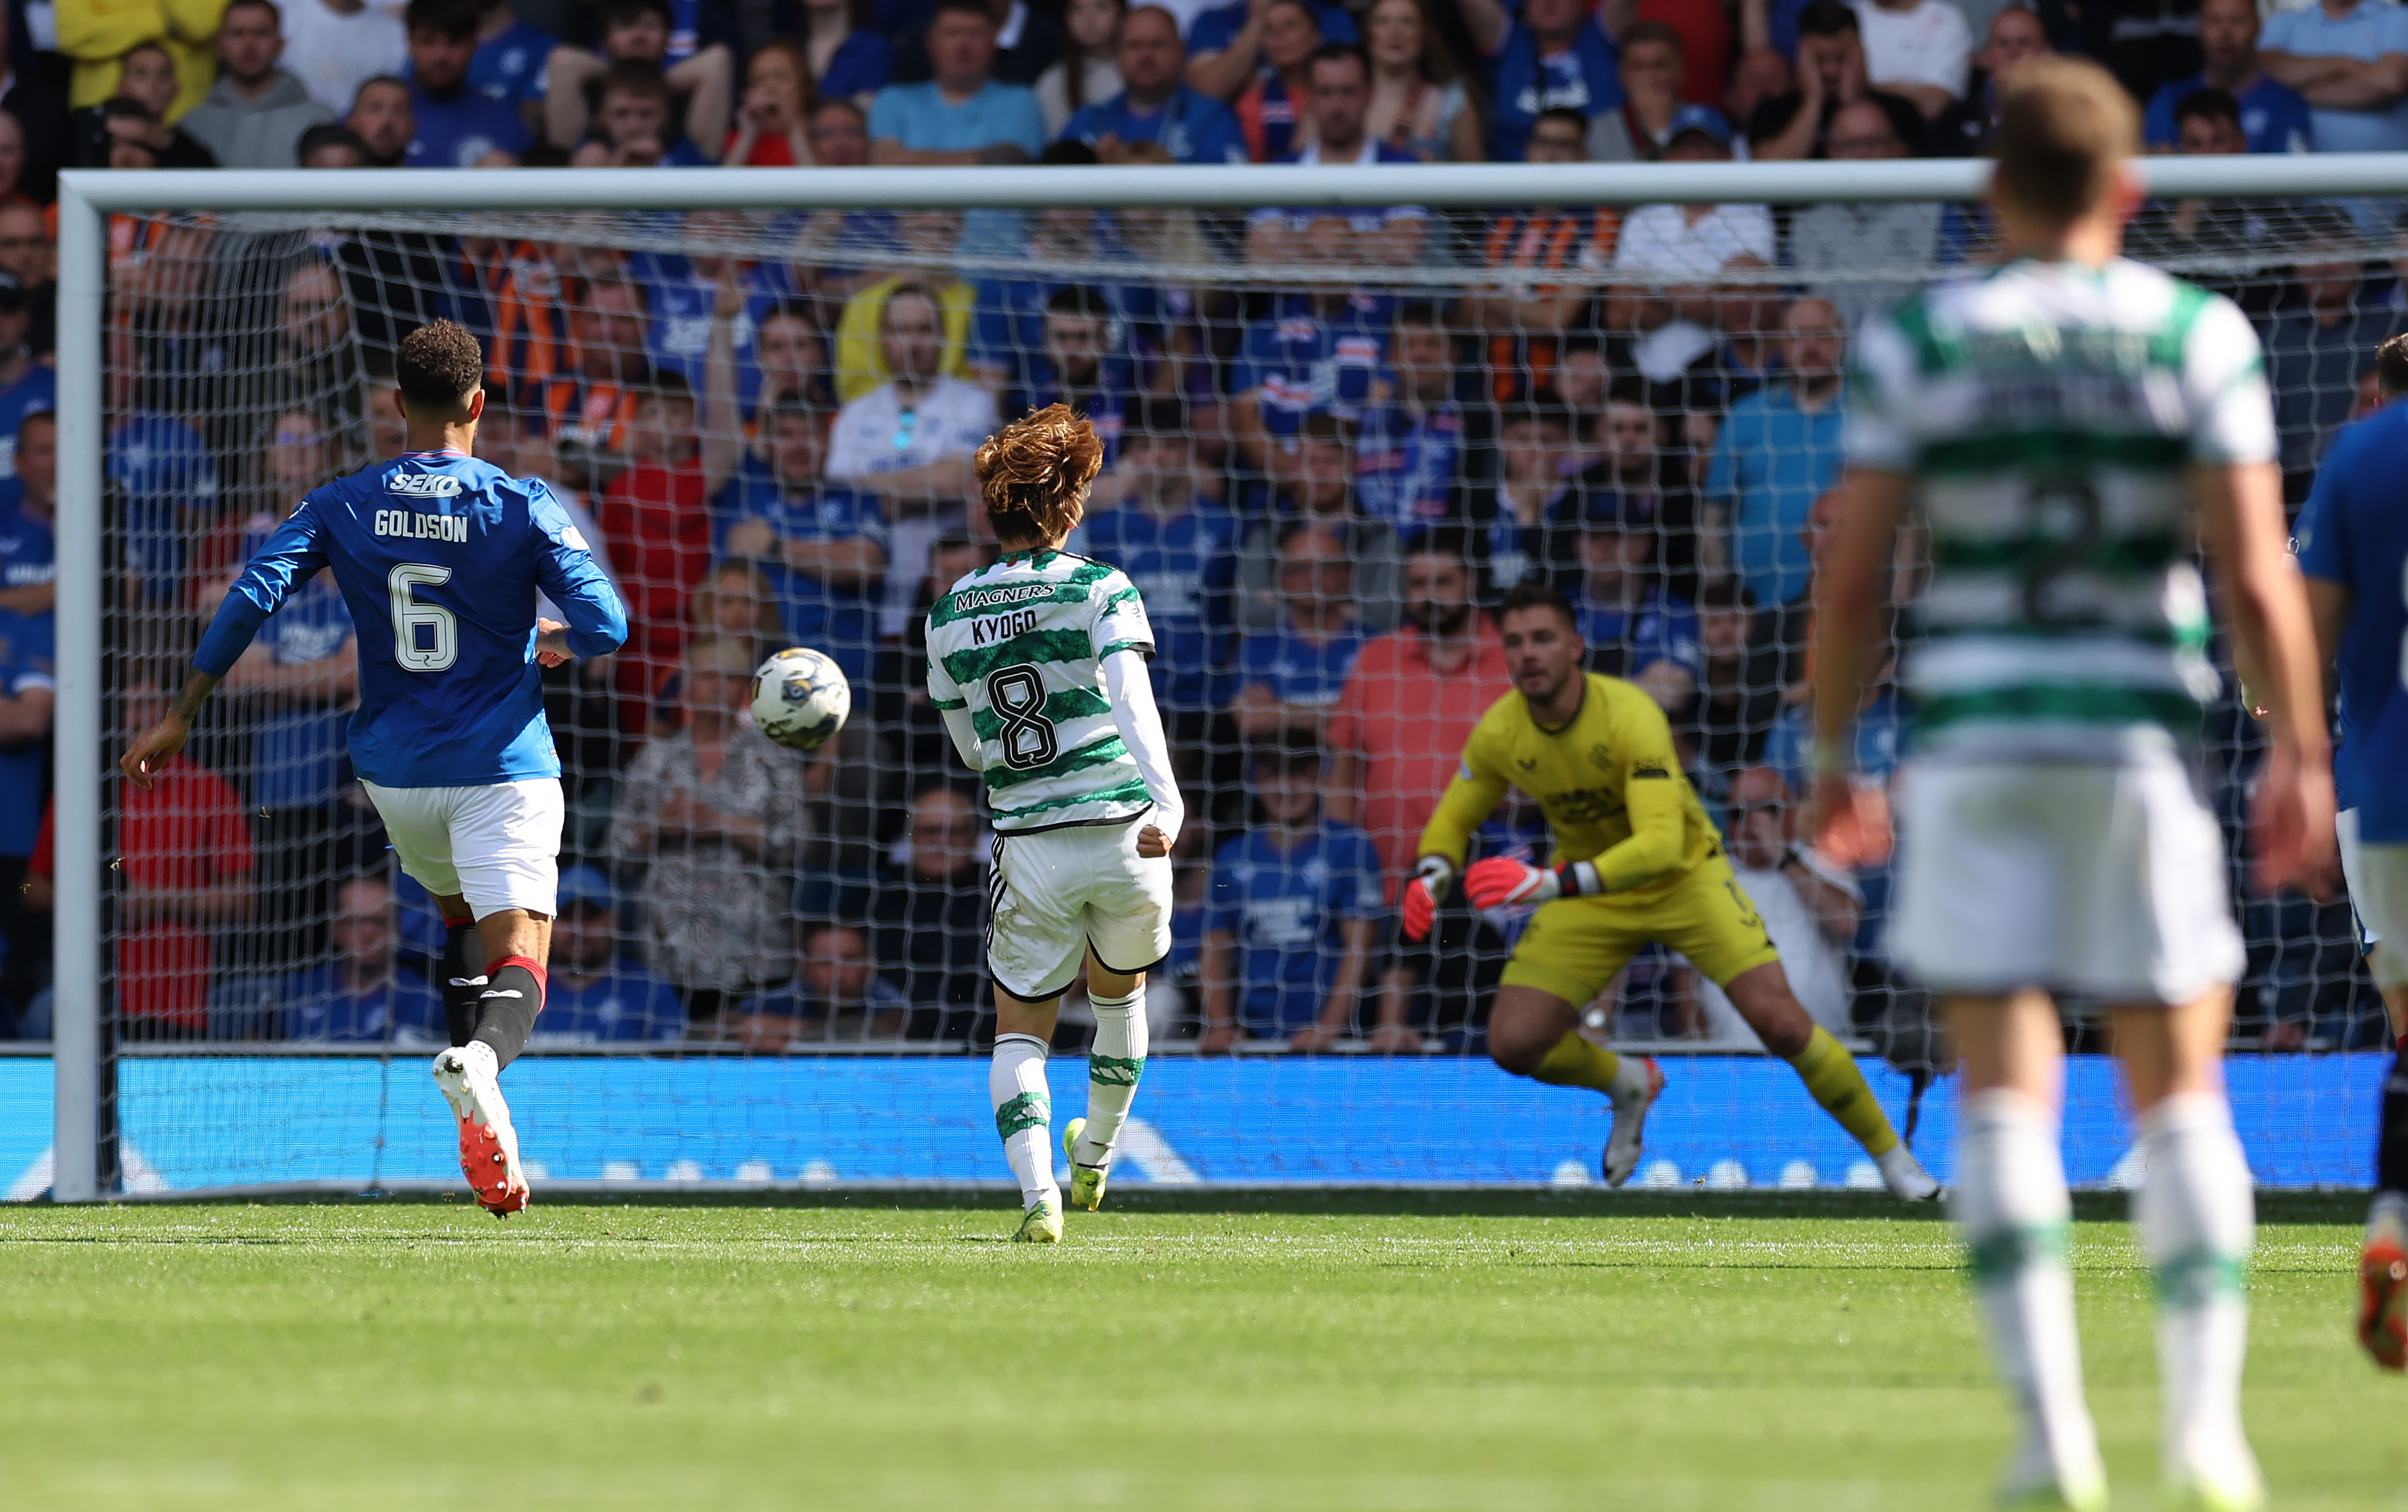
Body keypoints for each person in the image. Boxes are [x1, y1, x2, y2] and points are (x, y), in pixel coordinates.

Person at [1811, 58, 2331, 1507]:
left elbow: (1852, 579)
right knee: (2178, 1090)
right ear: (2131, 188)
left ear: (1990, 192)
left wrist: (1828, 758)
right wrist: (2296, 748)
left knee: (2003, 1086)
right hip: (2133, 743)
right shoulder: (2195, 332)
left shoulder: (1924, 339)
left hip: (1975, 743)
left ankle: (2050, 1435)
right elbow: (2251, 573)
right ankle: (2204, 1434)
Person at [121, 319, 632, 1218]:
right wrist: (546, 636)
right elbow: (606, 626)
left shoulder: (341, 502)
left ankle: (485, 1127)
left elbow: (250, 597)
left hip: (394, 777)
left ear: (397, 406)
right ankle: (479, 1061)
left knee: (457, 917)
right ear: (480, 403)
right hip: (500, 763)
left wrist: (180, 712)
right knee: (524, 954)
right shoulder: (521, 502)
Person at [1401, 583, 1936, 1198]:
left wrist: (1547, 883)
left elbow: (1657, 841)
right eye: (1514, 641)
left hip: (1683, 876)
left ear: (1575, 647)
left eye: (1543, 638)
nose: (1527, 654)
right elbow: (1452, 818)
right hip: (1591, 891)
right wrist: (1432, 874)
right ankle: (1627, 1080)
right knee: (1513, 1043)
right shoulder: (1499, 732)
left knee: (1784, 1025)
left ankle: (1895, 1161)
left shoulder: (1630, 714)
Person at [925, 404, 1186, 1242]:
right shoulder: (1101, 586)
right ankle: (1097, 1158)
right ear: (1070, 505)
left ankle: (1039, 1199)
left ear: (989, 510)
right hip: (1125, 829)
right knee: (1122, 996)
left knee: (1020, 1033)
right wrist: (1169, 800)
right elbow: (1129, 696)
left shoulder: (948, 614)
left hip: (1030, 844)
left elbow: (971, 749)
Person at [2290, 330, 2408, 1370]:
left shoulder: (2354, 465)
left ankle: (2391, 1223)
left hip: (2379, 794)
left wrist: (2291, 757)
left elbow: (2296, 636)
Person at [609, 635, 816, 1027]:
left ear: (744, 688)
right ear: (687, 684)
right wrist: (657, 825)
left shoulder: (774, 757)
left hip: (753, 948)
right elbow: (616, 851)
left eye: (729, 678)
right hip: (667, 950)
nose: (717, 687)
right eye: (706, 677)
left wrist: (723, 823)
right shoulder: (655, 758)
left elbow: (799, 843)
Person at [825, 283, 997, 639]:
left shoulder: (973, 403)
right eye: (901, 330)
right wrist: (922, 483)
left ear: (943, 336)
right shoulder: (855, 415)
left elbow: (955, 480)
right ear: (882, 337)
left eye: (923, 329)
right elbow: (838, 499)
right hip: (872, 606)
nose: (912, 343)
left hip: (959, 606)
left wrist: (870, 488)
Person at [1199, 743, 1387, 1051]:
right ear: (1256, 783)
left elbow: (1360, 945)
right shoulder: (1232, 855)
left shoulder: (1349, 846)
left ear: (1319, 779)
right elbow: (1214, 946)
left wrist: (1328, 1029)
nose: (1286, 787)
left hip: (1335, 1040)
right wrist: (1220, 1026)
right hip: (1253, 1038)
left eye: (1298, 775)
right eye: (1274, 776)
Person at [1689, 765, 1859, 1045]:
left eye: (1766, 811)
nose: (1750, 824)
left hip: (1824, 1050)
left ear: (1790, 811)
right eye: (1738, 814)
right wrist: (1697, 1051)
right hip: (1730, 1058)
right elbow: (1687, 979)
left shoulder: (1824, 861)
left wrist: (1783, 857)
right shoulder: (1707, 878)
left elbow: (1846, 921)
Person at [1705, 297, 1849, 614]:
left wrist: (1900, 604)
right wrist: (1719, 599)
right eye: (1797, 336)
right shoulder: (1745, 415)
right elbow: (1715, 516)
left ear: (1843, 340)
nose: (1810, 347)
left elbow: (1908, 519)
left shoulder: (1872, 413)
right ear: (1779, 343)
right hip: (1756, 613)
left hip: (1852, 612)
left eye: (1822, 335)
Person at [1787, 99, 1939, 331]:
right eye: (1849, 145)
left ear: (1897, 147)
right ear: (1830, 151)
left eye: (1874, 143)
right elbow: (1792, 310)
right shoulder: (1804, 223)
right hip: (1829, 364)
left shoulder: (1937, 213)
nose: (1861, 154)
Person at [870, 784, 992, 1039]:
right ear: (911, 836)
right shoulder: (877, 898)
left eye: (953, 831)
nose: (941, 841)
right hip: (902, 1038)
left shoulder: (1005, 891)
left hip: (993, 1029)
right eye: (930, 831)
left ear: (974, 836)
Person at [1230, 523, 1366, 748]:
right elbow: (1250, 719)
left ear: (1347, 575)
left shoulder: (1374, 643)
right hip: (1277, 777)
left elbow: (1377, 716)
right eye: (1301, 568)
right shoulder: (1257, 646)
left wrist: (1279, 711)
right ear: (1282, 580)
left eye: (1327, 567)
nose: (1314, 578)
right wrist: (1341, 711)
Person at [271, 872, 447, 1043]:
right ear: (336, 928)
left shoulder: (426, 1003)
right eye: (356, 922)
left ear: (397, 927)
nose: (368, 934)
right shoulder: (298, 992)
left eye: (379, 922)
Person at [1059, 5, 1246, 165]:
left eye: (1157, 45)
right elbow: (1052, 195)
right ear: (1118, 53)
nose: (1146, 56)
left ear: (1180, 50)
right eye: (1135, 45)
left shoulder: (1210, 116)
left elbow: (1235, 198)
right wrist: (1095, 171)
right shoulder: (1090, 120)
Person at [1455, 0, 1628, 161]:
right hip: (1515, 183)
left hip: (1601, 180)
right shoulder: (1508, 40)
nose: (1549, 3)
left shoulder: (1602, 36)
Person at [534, 865, 684, 1045]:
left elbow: (672, 1069)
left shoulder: (650, 990)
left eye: (590, 917)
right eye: (567, 917)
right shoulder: (525, 987)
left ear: (614, 921)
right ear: (549, 924)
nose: (579, 929)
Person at [181, 0, 340, 169]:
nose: (249, 45)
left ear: (280, 44)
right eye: (237, 34)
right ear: (220, 46)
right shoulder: (194, 125)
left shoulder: (320, 120)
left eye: (261, 33)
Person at [2143, 0, 2312, 156]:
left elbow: (2292, 182)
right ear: (2200, 28)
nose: (2225, 34)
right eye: (2214, 21)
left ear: (2258, 26)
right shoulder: (2168, 100)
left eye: (2237, 21)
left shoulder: (2287, 105)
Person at [403, 0, 534, 168]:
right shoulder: (383, 111)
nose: (441, 56)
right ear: (410, 42)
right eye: (429, 42)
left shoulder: (501, 116)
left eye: (455, 42)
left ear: (474, 44)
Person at [1848, 0, 1970, 119]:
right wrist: (1908, 92)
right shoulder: (1849, 15)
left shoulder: (1945, 18)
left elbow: (1936, 103)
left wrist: (1865, 89)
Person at [1036, 0, 1123, 136]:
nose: (1089, 19)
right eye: (1077, 9)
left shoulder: (1138, 72)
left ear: (1121, 13)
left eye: (1101, 7)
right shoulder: (1053, 81)